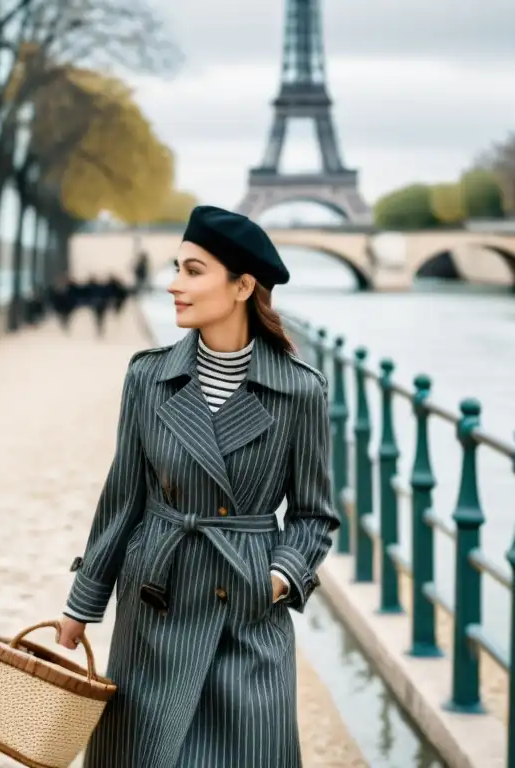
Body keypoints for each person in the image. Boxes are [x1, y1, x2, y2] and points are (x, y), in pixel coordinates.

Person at [56, 205, 339, 767]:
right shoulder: (148, 377)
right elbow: (122, 502)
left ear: (242, 286)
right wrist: (82, 605)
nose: (172, 285)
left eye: (192, 271)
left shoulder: (300, 391)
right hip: (154, 610)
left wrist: (277, 579)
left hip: (248, 614)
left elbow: (314, 516)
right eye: (177, 269)